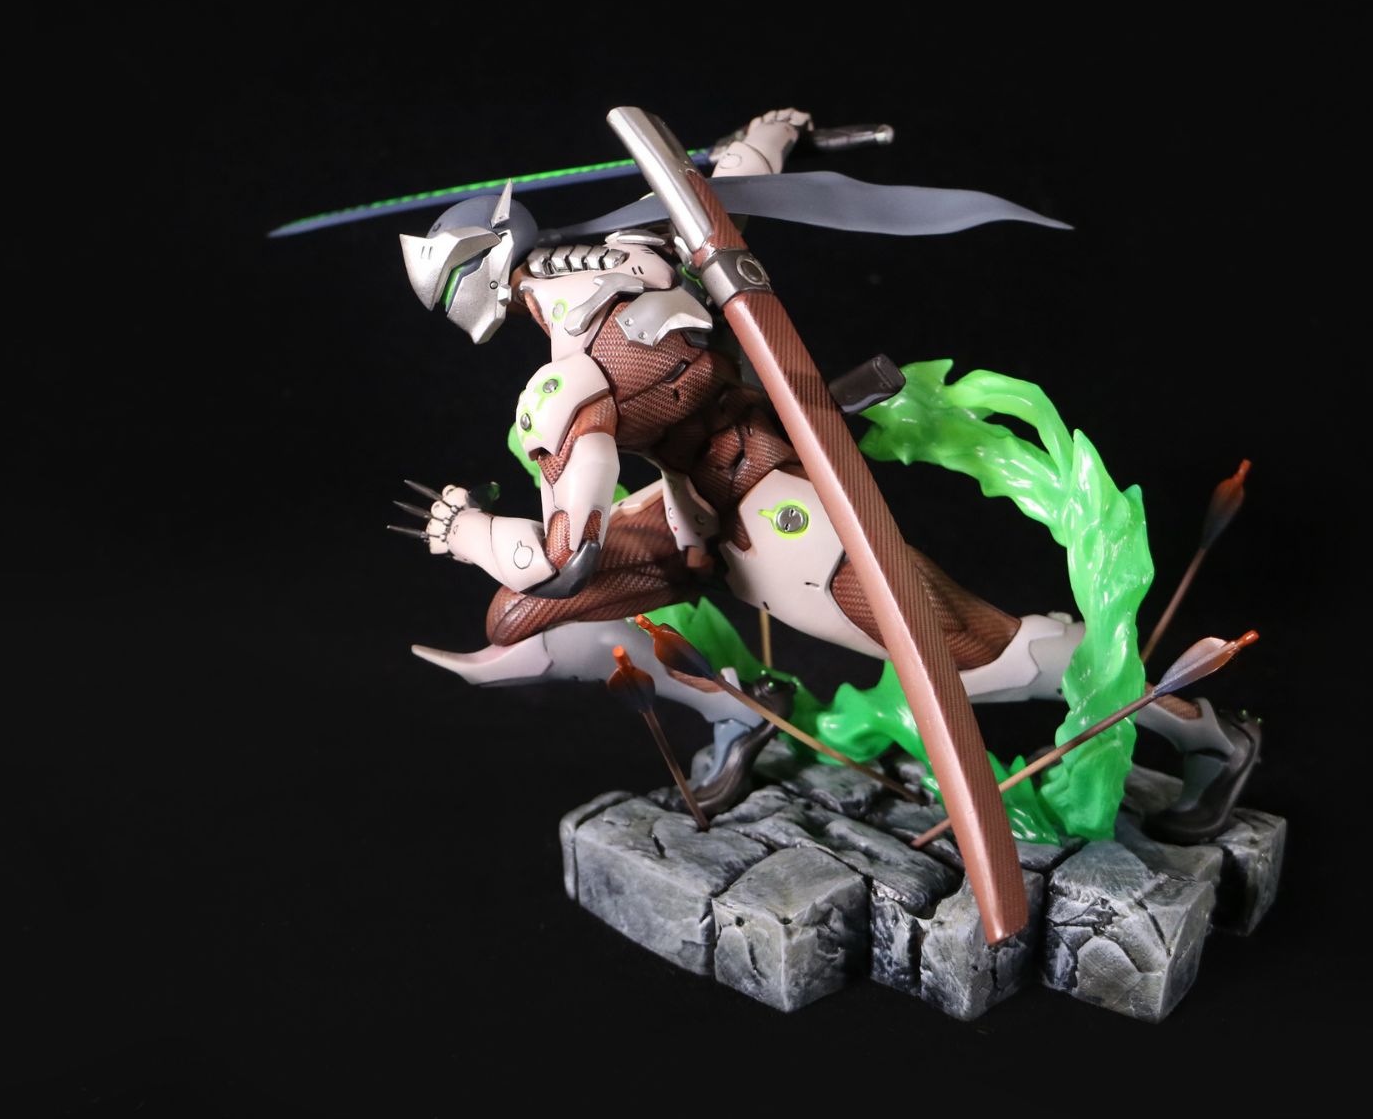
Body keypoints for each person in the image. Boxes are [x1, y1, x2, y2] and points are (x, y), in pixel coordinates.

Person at [390, 109, 1258, 842]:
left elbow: (561, 555)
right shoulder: (642, 248)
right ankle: (740, 710)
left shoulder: (567, 382)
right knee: (520, 623)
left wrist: (469, 531)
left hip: (781, 518)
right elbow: (727, 189)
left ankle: (1208, 736)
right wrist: (769, 134)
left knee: (974, 659)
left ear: (480, 273)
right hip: (694, 513)